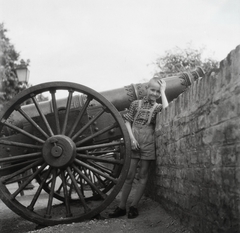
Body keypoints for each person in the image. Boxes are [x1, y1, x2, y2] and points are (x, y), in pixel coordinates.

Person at [109, 76, 169, 219]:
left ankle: (134, 206)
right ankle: (122, 206)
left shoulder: (158, 108)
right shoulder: (136, 104)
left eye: (157, 92)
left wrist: (164, 91)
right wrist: (131, 139)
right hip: (134, 142)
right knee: (129, 176)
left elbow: (167, 110)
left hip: (148, 144)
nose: (154, 93)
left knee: (143, 176)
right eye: (152, 90)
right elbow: (128, 122)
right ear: (146, 89)